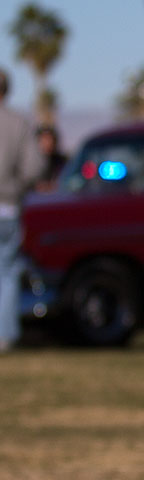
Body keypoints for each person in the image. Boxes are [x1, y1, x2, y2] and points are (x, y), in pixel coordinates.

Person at [0, 68, 48, 352]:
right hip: (7, 207)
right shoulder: (17, 123)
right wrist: (17, 187)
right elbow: (34, 167)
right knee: (6, 272)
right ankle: (4, 336)